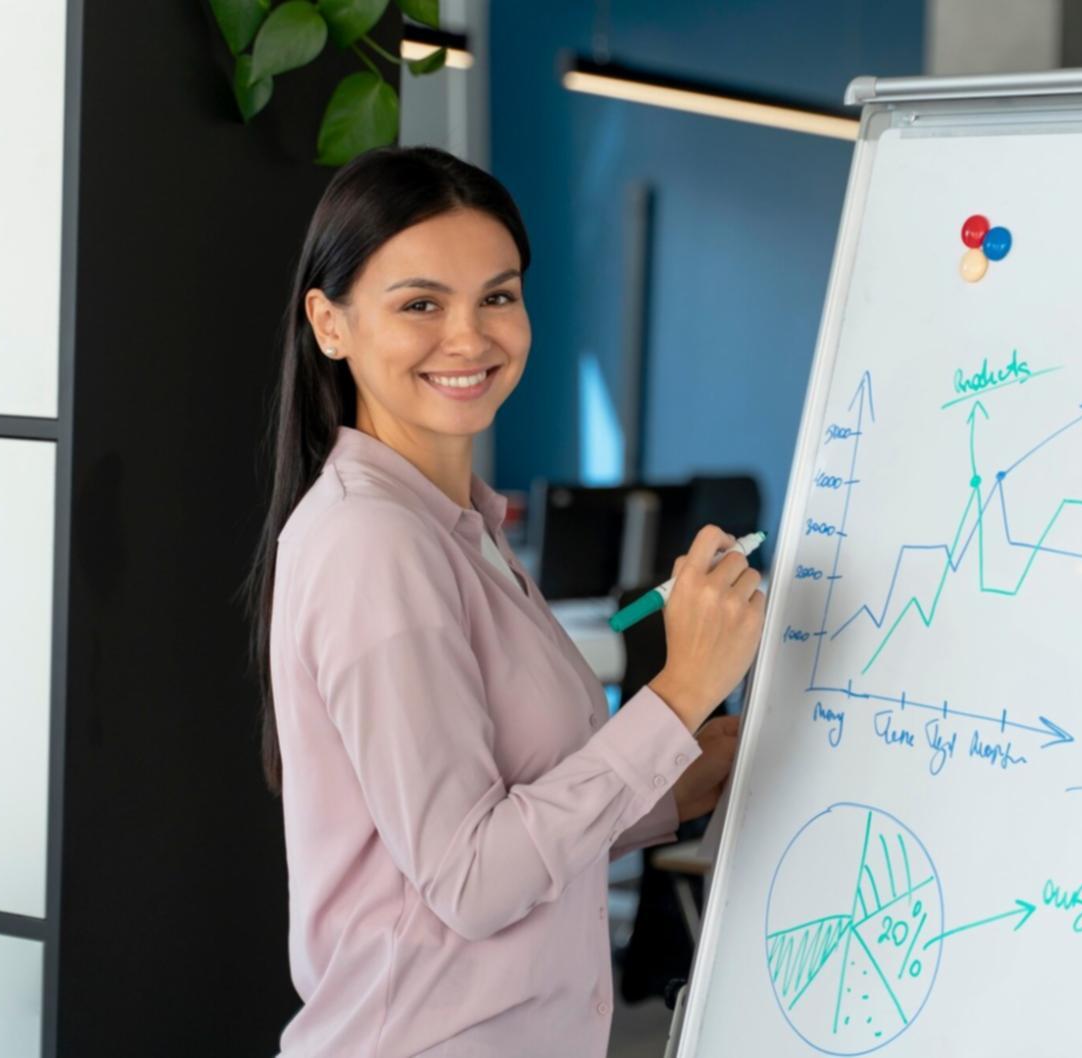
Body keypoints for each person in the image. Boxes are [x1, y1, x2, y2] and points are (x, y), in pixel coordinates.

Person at [244, 146, 766, 1057]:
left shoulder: (459, 529)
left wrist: (675, 778)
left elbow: (490, 837)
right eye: (420, 304)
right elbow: (473, 881)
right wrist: (679, 693)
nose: (470, 337)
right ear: (329, 324)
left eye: (497, 295)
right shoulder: (375, 544)